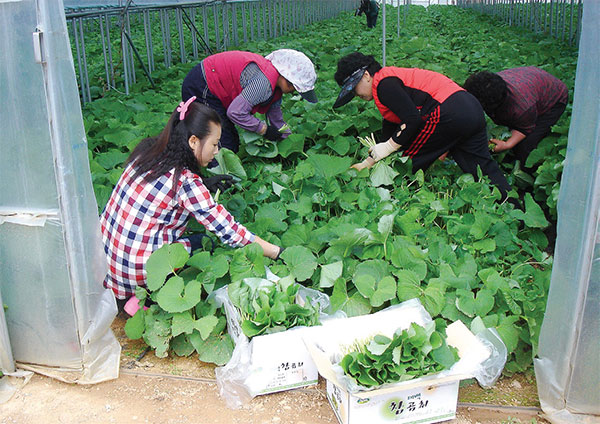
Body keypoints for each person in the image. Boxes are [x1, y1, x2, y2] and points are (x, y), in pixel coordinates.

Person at [100, 98, 282, 300]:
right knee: (204, 242)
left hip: (105, 264)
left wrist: (204, 183)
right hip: (141, 274)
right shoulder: (185, 181)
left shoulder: (147, 151)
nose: (217, 151)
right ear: (193, 141)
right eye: (214, 144)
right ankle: (146, 297)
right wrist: (275, 252)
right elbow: (229, 230)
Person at [333, 52, 514, 201]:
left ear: (366, 75)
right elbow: (391, 132)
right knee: (481, 166)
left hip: (448, 111)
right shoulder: (389, 81)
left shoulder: (383, 85)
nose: (356, 95)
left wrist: (388, 148)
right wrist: (368, 162)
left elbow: (412, 120)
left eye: (354, 88)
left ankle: (389, 200)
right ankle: (512, 207)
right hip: (470, 108)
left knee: (406, 161)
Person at [181, 49, 317, 157]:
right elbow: (235, 112)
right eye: (295, 87)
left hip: (213, 88)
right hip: (202, 85)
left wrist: (291, 140)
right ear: (287, 77)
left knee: (232, 140)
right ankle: (218, 180)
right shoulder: (263, 83)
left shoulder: (275, 87)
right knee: (221, 140)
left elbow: (276, 118)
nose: (294, 92)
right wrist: (263, 129)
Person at [463, 67, 568, 167]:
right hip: (531, 79)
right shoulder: (487, 85)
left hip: (554, 98)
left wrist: (508, 144)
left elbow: (525, 129)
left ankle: (526, 171)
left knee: (526, 145)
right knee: (505, 120)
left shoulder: (522, 108)